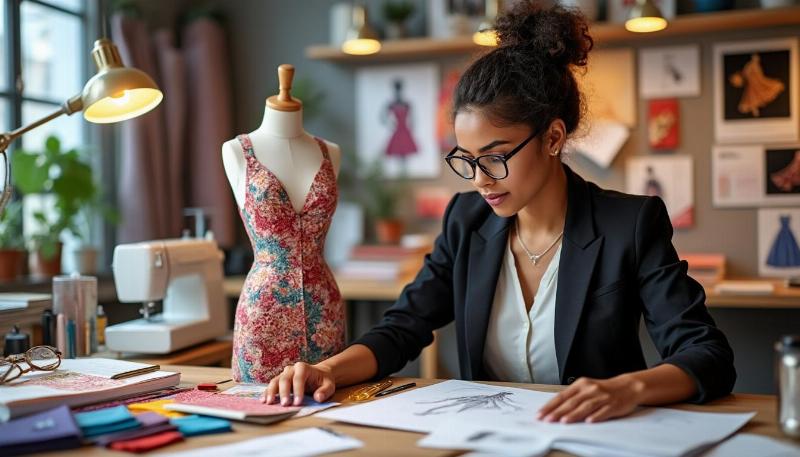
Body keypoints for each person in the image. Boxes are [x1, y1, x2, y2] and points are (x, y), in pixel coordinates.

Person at [261, 1, 736, 423]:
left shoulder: (628, 225)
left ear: (552, 139)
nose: (478, 179)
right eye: (466, 159)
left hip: (593, 438)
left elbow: (708, 354)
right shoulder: (467, 221)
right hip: (491, 439)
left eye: (494, 156)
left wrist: (627, 388)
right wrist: (324, 370)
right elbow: (402, 328)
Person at [221, 64, 345, 383]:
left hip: (324, 308)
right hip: (264, 312)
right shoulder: (237, 151)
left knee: (329, 405)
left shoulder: (330, 152)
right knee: (257, 407)